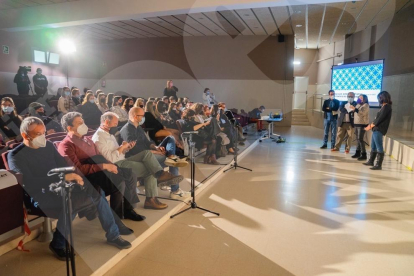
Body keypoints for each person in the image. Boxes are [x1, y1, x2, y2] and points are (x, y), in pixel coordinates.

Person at [8, 117, 132, 260]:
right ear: (25, 135)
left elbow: (64, 166)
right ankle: (58, 243)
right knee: (75, 202)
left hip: (60, 186)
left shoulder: (47, 145)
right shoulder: (16, 155)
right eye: (37, 134)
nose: (42, 137)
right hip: (38, 194)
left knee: (96, 190)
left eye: (44, 133)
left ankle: (113, 234)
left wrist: (75, 177)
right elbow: (28, 183)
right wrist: (62, 178)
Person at [58, 112, 145, 226]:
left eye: (83, 121)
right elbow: (78, 169)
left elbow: (100, 156)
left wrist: (111, 165)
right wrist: (105, 166)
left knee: (130, 174)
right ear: (70, 128)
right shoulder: (66, 145)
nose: (84, 124)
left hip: (101, 168)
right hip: (90, 174)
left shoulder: (87, 139)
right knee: (119, 183)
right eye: (79, 123)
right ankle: (116, 217)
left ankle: (128, 210)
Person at [94, 111, 186, 206]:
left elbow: (118, 152)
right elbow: (111, 159)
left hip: (123, 158)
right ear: (106, 122)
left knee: (147, 154)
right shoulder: (99, 137)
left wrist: (126, 148)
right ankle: (151, 198)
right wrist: (122, 147)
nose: (116, 126)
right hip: (116, 164)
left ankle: (161, 175)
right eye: (115, 123)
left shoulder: (109, 134)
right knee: (151, 168)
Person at [120, 107, 190, 200]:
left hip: (149, 153)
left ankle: (171, 157)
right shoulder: (127, 129)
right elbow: (133, 149)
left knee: (170, 138)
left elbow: (147, 142)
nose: (144, 118)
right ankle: (175, 191)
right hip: (141, 156)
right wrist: (153, 151)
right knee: (173, 163)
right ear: (135, 116)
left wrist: (156, 147)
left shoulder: (138, 127)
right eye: (142, 116)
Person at [363, 91, 392, 170]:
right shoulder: (383, 107)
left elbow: (379, 119)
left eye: (379, 98)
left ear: (382, 98)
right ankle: (371, 161)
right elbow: (377, 119)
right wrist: (371, 125)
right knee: (373, 146)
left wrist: (370, 126)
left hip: (379, 129)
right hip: (375, 129)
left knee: (379, 147)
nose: (378, 100)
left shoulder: (387, 107)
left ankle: (379, 165)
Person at [350, 94, 370, 160]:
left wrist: (355, 109)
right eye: (359, 98)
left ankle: (364, 154)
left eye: (361, 98)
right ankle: (357, 152)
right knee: (357, 139)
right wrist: (354, 109)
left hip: (362, 124)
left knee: (360, 139)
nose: (360, 99)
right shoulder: (358, 105)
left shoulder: (366, 105)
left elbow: (362, 113)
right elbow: (356, 111)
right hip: (356, 123)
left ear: (365, 99)